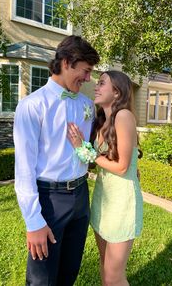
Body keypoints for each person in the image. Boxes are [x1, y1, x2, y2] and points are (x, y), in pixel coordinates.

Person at [13, 35, 100, 286]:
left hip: (81, 197)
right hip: (49, 200)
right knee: (43, 279)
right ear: (66, 62)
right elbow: (24, 169)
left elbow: (91, 149)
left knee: (69, 272)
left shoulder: (87, 106)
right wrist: (34, 221)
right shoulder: (32, 106)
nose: (87, 79)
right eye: (85, 71)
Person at [68, 70, 143, 286]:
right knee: (104, 264)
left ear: (117, 92)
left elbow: (121, 167)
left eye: (102, 83)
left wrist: (85, 149)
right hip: (103, 198)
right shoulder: (101, 121)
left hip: (122, 202)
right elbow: (99, 160)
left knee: (113, 275)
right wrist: (84, 148)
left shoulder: (124, 116)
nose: (96, 87)